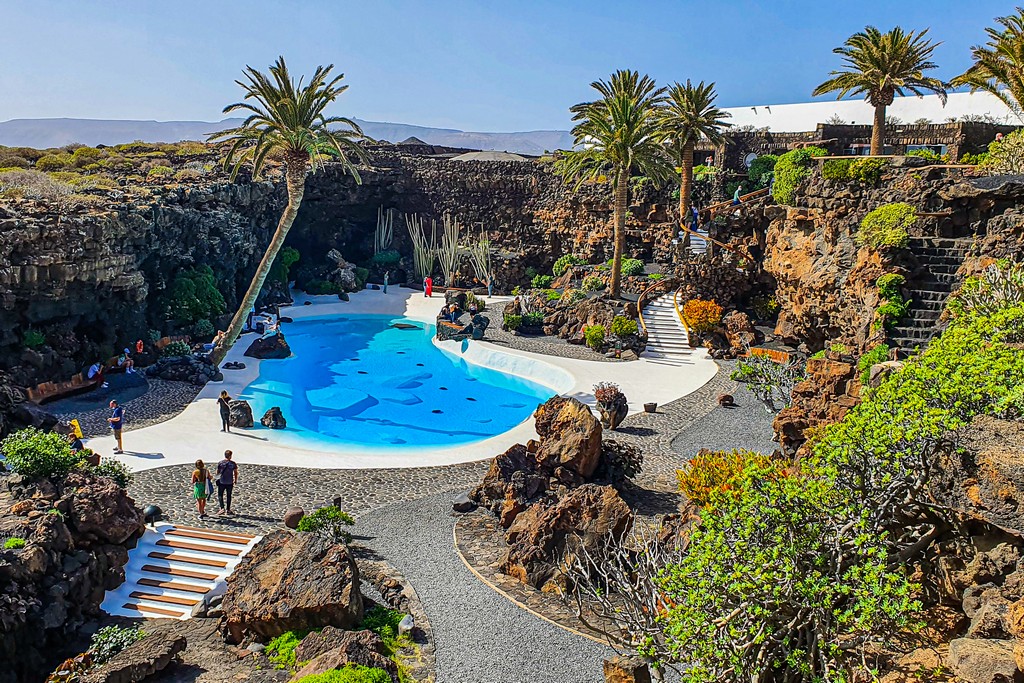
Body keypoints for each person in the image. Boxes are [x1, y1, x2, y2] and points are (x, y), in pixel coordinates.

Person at [215, 450, 238, 515]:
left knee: (220, 495)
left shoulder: (220, 463)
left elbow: (218, 471)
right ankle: (228, 509)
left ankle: (222, 508)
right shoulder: (233, 464)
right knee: (229, 495)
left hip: (222, 481)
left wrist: (217, 479)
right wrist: (235, 479)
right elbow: (235, 472)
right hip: (229, 481)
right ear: (230, 456)